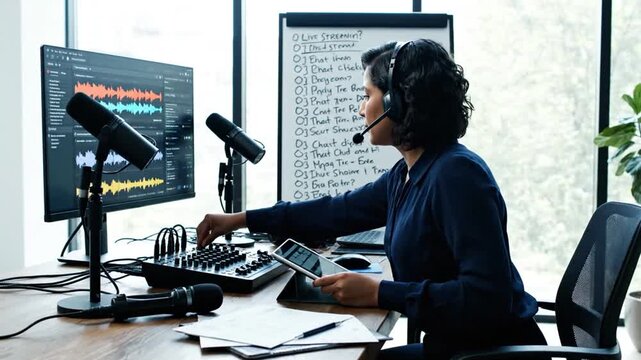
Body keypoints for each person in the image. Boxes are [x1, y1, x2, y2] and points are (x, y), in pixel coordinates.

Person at [196, 39, 547, 359]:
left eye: (366, 95)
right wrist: (242, 219)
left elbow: (487, 299)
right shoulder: (409, 173)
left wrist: (381, 293)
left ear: (396, 101)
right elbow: (336, 211)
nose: (361, 108)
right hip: (457, 346)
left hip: (490, 353)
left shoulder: (456, 176)